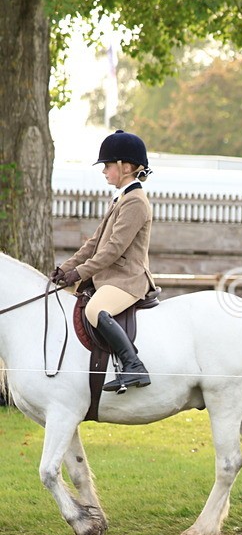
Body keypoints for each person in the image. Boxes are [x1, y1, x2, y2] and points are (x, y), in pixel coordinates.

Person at [51, 130, 156, 392]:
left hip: (127, 279)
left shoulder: (136, 203)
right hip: (112, 278)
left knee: (94, 310)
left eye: (108, 166)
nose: (104, 171)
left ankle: (133, 366)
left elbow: (113, 249)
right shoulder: (121, 199)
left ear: (126, 167)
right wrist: (65, 268)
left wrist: (80, 273)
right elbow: (94, 244)